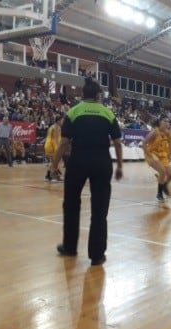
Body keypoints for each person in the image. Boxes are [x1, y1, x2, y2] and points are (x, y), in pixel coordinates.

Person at [50, 77, 123, 266]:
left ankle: (70, 247)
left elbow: (64, 143)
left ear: (83, 95)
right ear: (99, 95)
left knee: (71, 205)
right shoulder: (108, 114)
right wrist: (120, 165)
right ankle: (97, 255)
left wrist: (53, 165)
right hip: (101, 163)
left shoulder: (73, 112)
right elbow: (117, 142)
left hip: (77, 162)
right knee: (100, 209)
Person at [142, 115, 171, 203]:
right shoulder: (155, 132)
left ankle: (164, 185)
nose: (166, 123)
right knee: (163, 172)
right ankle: (159, 193)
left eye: (168, 121)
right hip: (152, 155)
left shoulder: (168, 133)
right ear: (160, 122)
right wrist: (150, 155)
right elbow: (144, 143)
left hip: (163, 156)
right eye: (164, 121)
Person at [44, 115, 64, 181]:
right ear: (58, 121)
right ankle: (54, 177)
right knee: (57, 162)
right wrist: (58, 149)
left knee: (52, 162)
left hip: (48, 144)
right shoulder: (57, 127)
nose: (63, 122)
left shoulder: (51, 126)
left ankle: (48, 176)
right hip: (52, 145)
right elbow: (56, 139)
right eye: (62, 120)